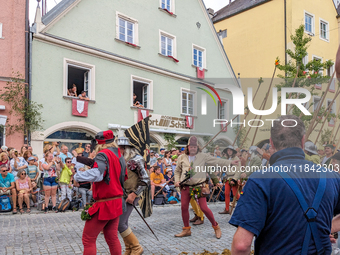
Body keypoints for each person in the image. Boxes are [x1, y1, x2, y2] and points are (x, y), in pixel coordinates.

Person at [230, 115, 340, 255]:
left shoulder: (260, 180)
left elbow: (241, 245)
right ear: (302, 140)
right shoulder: (332, 176)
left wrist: (323, 228)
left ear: (272, 142)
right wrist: (324, 228)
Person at [174, 136, 239, 239]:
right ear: (188, 147)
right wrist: (177, 180)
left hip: (199, 186)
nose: (193, 148)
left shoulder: (203, 156)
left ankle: (216, 226)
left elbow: (216, 161)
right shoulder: (181, 157)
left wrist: (230, 162)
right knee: (183, 207)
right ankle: (186, 229)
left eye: (195, 147)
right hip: (185, 186)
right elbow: (177, 171)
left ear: (197, 147)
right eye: (191, 146)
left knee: (204, 207)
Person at [74, 130, 126, 255]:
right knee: (112, 238)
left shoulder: (102, 154)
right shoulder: (119, 155)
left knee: (88, 239)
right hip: (116, 201)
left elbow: (98, 174)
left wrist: (77, 176)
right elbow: (122, 177)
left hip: (105, 203)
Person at [117, 135, 149, 255]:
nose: (118, 149)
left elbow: (145, 180)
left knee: (120, 224)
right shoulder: (121, 159)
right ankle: (129, 248)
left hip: (131, 195)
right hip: (121, 195)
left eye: (121, 147)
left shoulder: (136, 159)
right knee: (123, 223)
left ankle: (136, 247)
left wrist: (134, 194)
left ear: (127, 147)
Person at [219, 145, 241, 215]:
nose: (229, 152)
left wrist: (234, 179)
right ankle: (227, 209)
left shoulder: (236, 158)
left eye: (230, 150)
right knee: (226, 193)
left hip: (233, 177)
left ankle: (245, 206)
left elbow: (238, 170)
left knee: (235, 194)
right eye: (228, 150)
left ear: (233, 151)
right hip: (227, 178)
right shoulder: (227, 159)